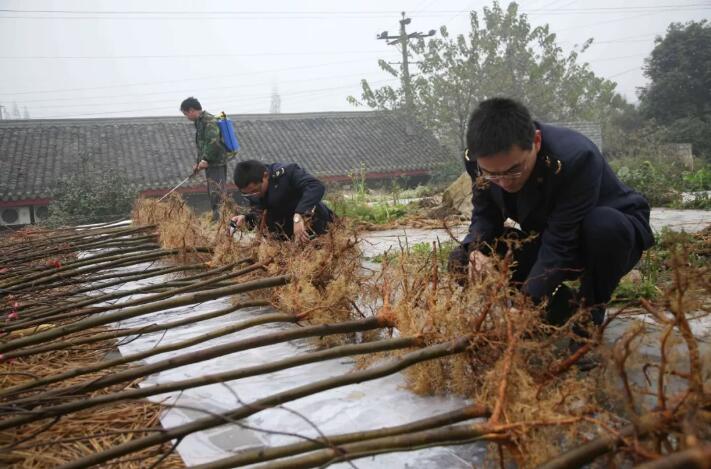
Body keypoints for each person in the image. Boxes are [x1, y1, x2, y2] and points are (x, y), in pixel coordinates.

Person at [449, 97, 654, 327]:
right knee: (461, 260)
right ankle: (560, 307)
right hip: (548, 234)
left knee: (602, 226)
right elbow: (485, 216)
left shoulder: (575, 158)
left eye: (514, 170)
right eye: (492, 174)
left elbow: (560, 242)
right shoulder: (477, 161)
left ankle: (587, 319)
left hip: (606, 239)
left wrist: (527, 301)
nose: (503, 182)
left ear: (536, 141)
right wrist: (477, 251)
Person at [230, 160, 335, 242]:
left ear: (265, 176)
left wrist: (299, 215)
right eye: (248, 193)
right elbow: (262, 214)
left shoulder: (286, 173)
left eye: (256, 190)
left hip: (317, 230)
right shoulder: (253, 193)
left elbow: (315, 186)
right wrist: (246, 219)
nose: (254, 195)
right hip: (286, 242)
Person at [180, 97, 227, 221]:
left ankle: (221, 219)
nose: (186, 117)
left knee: (217, 191)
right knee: (212, 191)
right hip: (209, 163)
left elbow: (213, 142)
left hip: (216, 162)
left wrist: (205, 160)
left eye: (185, 114)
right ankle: (217, 218)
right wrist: (198, 163)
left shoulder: (209, 120)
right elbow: (202, 145)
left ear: (191, 110)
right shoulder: (199, 122)